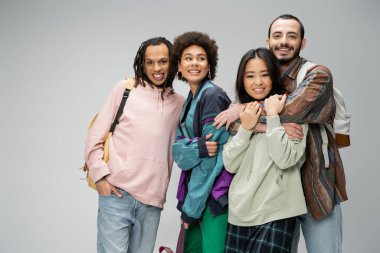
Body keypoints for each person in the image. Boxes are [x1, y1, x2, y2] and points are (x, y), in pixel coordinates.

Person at [215, 14, 348, 253]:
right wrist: (262, 123)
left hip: (315, 186)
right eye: (277, 35)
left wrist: (242, 111)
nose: (283, 41)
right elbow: (233, 126)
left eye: (291, 36)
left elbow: (293, 111)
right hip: (271, 196)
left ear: (302, 43)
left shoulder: (317, 75)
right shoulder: (262, 78)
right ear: (268, 41)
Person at [84, 37, 185, 253]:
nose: (156, 68)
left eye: (163, 61)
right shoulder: (125, 89)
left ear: (173, 63)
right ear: (142, 64)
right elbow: (95, 138)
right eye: (150, 62)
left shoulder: (180, 103)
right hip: (117, 195)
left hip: (152, 203)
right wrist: (100, 178)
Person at [223, 47, 308, 253]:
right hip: (240, 211)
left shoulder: (293, 109)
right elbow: (230, 164)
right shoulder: (240, 111)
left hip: (277, 211)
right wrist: (246, 128)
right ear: (241, 80)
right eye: (250, 76)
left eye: (265, 74)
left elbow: (285, 159)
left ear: (274, 75)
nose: (258, 82)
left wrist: (273, 117)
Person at [171, 31, 233, 253]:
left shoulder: (212, 97)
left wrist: (191, 209)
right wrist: (198, 147)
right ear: (179, 66)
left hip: (214, 196)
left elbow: (211, 163)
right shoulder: (190, 100)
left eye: (201, 58)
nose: (194, 63)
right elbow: (178, 153)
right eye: (188, 58)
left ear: (209, 66)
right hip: (198, 196)